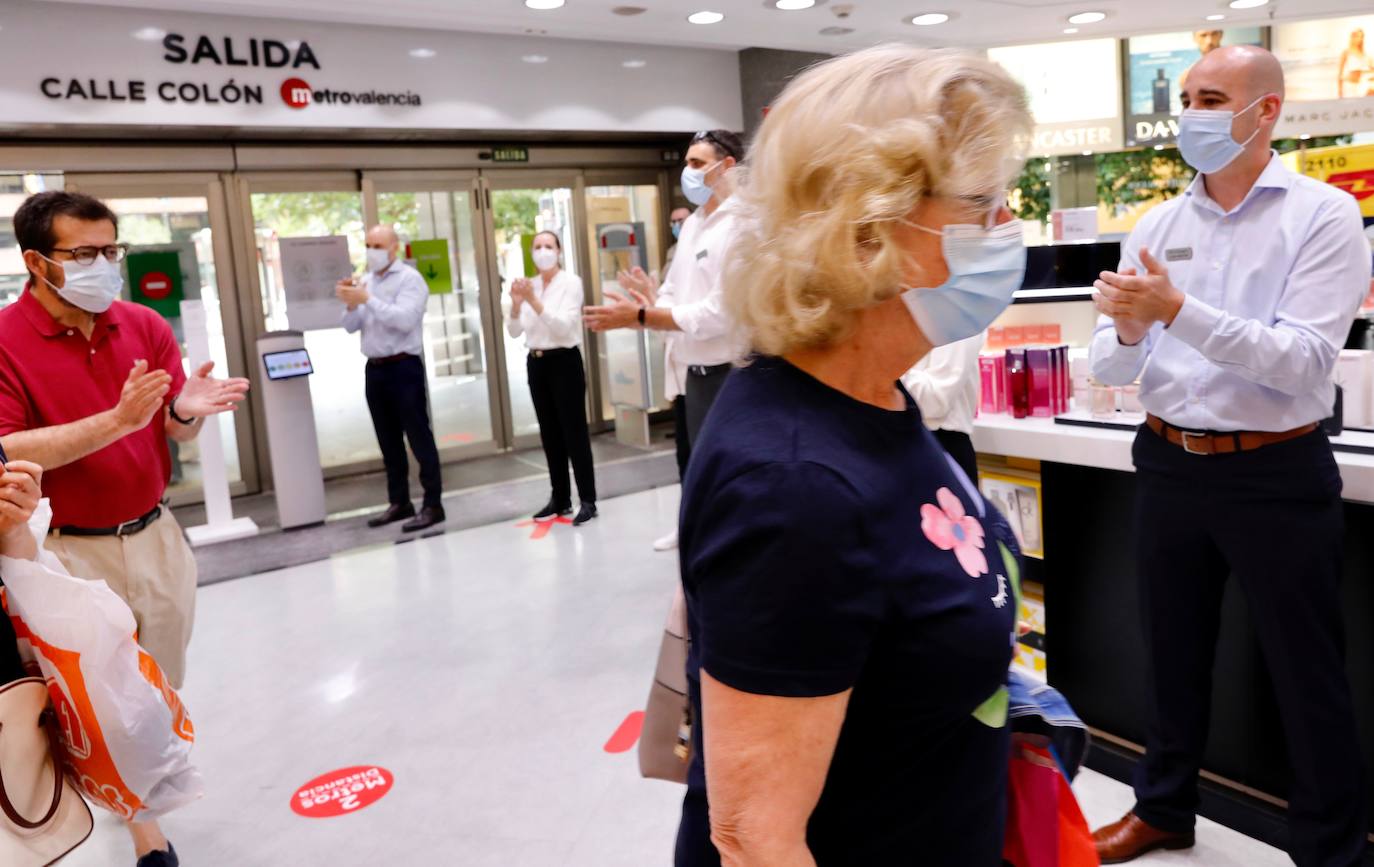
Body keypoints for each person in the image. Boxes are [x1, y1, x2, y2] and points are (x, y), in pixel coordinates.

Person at [673, 44, 1033, 865]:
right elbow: (753, 837)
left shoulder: (875, 398)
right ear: (875, 227)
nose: (1005, 228)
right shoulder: (795, 484)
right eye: (984, 204)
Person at [1089, 46, 1370, 866]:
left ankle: (1330, 847)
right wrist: (1134, 328)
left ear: (1267, 112)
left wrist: (1176, 310)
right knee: (1169, 650)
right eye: (1186, 98)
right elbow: (1110, 362)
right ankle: (1164, 807)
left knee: (1305, 669)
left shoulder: (1322, 215)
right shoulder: (1156, 223)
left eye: (1211, 97)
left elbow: (1303, 360)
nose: (1191, 115)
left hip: (1275, 469)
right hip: (1169, 459)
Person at [0, 190, 252, 867]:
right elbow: (9, 447)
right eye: (84, 253)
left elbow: (167, 419)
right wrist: (115, 420)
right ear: (37, 261)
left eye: (112, 250)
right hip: (64, 549)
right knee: (100, 699)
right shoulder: (6, 339)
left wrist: (187, 412)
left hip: (155, 535)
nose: (104, 265)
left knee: (154, 681)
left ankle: (132, 788)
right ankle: (146, 831)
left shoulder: (140, 323)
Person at [585, 130, 745, 551]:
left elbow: (720, 313)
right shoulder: (693, 224)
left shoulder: (745, 225)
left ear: (726, 167)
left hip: (733, 374)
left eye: (696, 163)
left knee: (734, 474)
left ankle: (734, 545)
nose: (687, 172)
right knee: (696, 464)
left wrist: (643, 315)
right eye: (686, 162)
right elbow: (674, 293)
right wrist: (651, 308)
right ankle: (697, 530)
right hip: (695, 372)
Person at [338, 225, 446, 533]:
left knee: (418, 437)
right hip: (375, 369)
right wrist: (350, 302)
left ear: (394, 248)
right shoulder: (368, 280)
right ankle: (399, 502)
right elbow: (350, 325)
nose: (372, 250)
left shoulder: (411, 280)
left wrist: (367, 299)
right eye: (369, 244)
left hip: (404, 367)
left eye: (378, 245)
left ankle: (433, 504)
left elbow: (404, 320)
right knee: (388, 441)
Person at [506, 230, 598, 526]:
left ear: (558, 250)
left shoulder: (570, 283)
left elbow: (563, 327)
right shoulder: (529, 285)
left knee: (574, 433)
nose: (543, 251)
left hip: (564, 362)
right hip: (537, 362)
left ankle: (588, 499)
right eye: (537, 247)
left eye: (548, 246)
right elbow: (514, 331)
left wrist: (533, 301)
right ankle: (560, 497)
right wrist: (517, 304)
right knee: (550, 433)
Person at [655, 204, 698, 552]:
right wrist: (650, 304)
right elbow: (666, 303)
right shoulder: (676, 254)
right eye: (674, 223)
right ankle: (686, 525)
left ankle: (701, 528)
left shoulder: (717, 236)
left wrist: (650, 310)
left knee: (703, 457)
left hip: (707, 369)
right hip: (682, 365)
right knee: (684, 454)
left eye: (682, 221)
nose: (678, 227)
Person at [901, 332, 985, 481]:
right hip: (898, 441)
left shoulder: (957, 320)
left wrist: (881, 367)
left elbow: (935, 401)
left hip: (940, 444)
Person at [1338, 28, 1371, 99]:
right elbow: (1340, 74)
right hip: (1349, 85)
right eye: (1358, 36)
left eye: (1361, 37)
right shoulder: (1346, 52)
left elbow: (1367, 69)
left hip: (1361, 85)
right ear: (1352, 37)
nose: (1360, 39)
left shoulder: (1363, 53)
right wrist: (1340, 91)